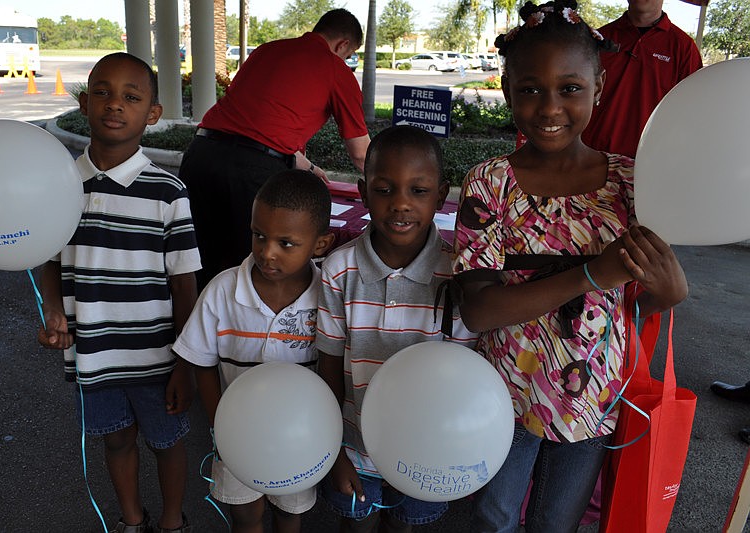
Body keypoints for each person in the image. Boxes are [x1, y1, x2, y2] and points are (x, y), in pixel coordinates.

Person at [451, 2, 689, 531]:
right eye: (530, 89)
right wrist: (591, 275)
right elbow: (479, 310)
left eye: (570, 88)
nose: (549, 106)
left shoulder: (630, 185)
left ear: (599, 89)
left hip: (594, 394)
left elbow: (631, 303)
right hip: (504, 392)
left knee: (558, 521)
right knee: (493, 515)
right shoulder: (490, 184)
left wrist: (664, 295)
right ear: (508, 90)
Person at [37, 52, 201, 533]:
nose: (115, 105)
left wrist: (186, 363)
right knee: (116, 441)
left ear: (152, 113)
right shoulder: (60, 186)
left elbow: (184, 282)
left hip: (157, 358)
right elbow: (49, 260)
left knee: (168, 443)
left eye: (132, 97)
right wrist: (52, 312)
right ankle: (132, 519)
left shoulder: (168, 191)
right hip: (94, 355)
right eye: (103, 93)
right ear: (85, 103)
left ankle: (172, 521)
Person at [317, 125, 478, 533]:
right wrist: (335, 451)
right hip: (356, 450)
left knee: (404, 525)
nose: (401, 204)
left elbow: (463, 378)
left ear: (441, 196)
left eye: (418, 191)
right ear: (363, 190)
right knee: (357, 526)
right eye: (385, 189)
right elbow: (330, 366)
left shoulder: (457, 273)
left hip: (426, 450)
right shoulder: (340, 270)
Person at [171, 169, 336, 533]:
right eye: (258, 236)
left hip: (301, 438)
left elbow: (331, 367)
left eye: (286, 243)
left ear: (321, 244)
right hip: (237, 437)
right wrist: (221, 426)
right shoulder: (222, 290)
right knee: (245, 516)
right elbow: (203, 363)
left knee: (289, 514)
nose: (267, 252)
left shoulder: (328, 296)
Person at [178, 8, 371, 290]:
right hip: (249, 174)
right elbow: (361, 153)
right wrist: (389, 189)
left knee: (196, 260)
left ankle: (191, 329)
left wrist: (312, 168)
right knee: (247, 270)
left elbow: (259, 127)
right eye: (348, 54)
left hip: (200, 154)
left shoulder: (266, 51)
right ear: (342, 45)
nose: (345, 59)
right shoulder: (334, 68)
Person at [581, 0, 702, 158]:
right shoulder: (598, 39)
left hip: (648, 161)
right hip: (591, 156)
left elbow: (692, 113)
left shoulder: (684, 48)